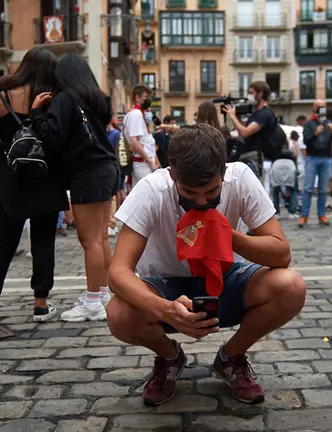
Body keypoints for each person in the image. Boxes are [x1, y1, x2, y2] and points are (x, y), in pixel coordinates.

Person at [107, 124, 306, 406]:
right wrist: (166, 309)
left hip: (228, 280)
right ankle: (169, 356)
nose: (201, 202)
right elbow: (117, 273)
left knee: (291, 286)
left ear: (223, 173)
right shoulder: (152, 188)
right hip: (167, 286)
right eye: (189, 193)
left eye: (211, 191)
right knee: (118, 313)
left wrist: (227, 235)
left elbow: (281, 253)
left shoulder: (240, 178)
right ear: (173, 175)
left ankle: (231, 357)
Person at [0, 46, 67, 324]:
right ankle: (40, 304)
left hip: (12, 178)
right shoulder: (52, 95)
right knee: (43, 241)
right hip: (47, 177)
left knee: (2, 243)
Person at [30, 53, 120, 323]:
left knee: (89, 240)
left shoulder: (65, 99)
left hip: (87, 173)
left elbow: (52, 136)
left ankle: (92, 301)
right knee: (101, 238)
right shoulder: (95, 100)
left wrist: (36, 112)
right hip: (106, 167)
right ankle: (101, 293)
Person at [223, 81, 278, 185]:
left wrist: (233, 116)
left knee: (252, 190)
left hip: (254, 158)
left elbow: (245, 132)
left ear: (260, 93)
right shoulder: (257, 113)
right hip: (248, 156)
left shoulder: (264, 114)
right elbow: (242, 129)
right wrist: (237, 118)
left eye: (251, 92)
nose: (249, 96)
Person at [299, 100, 332, 227]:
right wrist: (315, 133)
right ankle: (304, 216)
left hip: (326, 158)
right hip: (312, 158)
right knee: (308, 188)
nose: (322, 109)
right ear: (314, 109)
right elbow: (306, 140)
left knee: (322, 190)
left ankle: (322, 215)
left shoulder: (329, 123)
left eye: (323, 107)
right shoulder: (309, 124)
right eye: (319, 107)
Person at [124, 84, 158, 186]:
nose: (148, 100)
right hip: (142, 163)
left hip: (143, 163)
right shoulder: (136, 114)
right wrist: (150, 161)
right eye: (146, 97)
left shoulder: (137, 113)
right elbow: (134, 141)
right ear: (137, 97)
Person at [270, 143, 299, 219]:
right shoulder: (291, 159)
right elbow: (295, 171)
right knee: (293, 191)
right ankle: (292, 212)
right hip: (289, 174)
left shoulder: (275, 159)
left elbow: (271, 171)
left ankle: (276, 213)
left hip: (277, 174)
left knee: (275, 192)